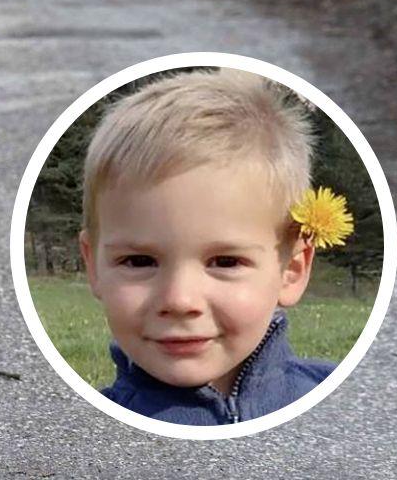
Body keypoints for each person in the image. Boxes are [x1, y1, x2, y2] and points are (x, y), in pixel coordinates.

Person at [78, 69, 346, 424]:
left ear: (292, 270)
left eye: (225, 261)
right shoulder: (85, 429)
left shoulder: (345, 400)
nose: (179, 300)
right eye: (139, 261)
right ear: (93, 266)